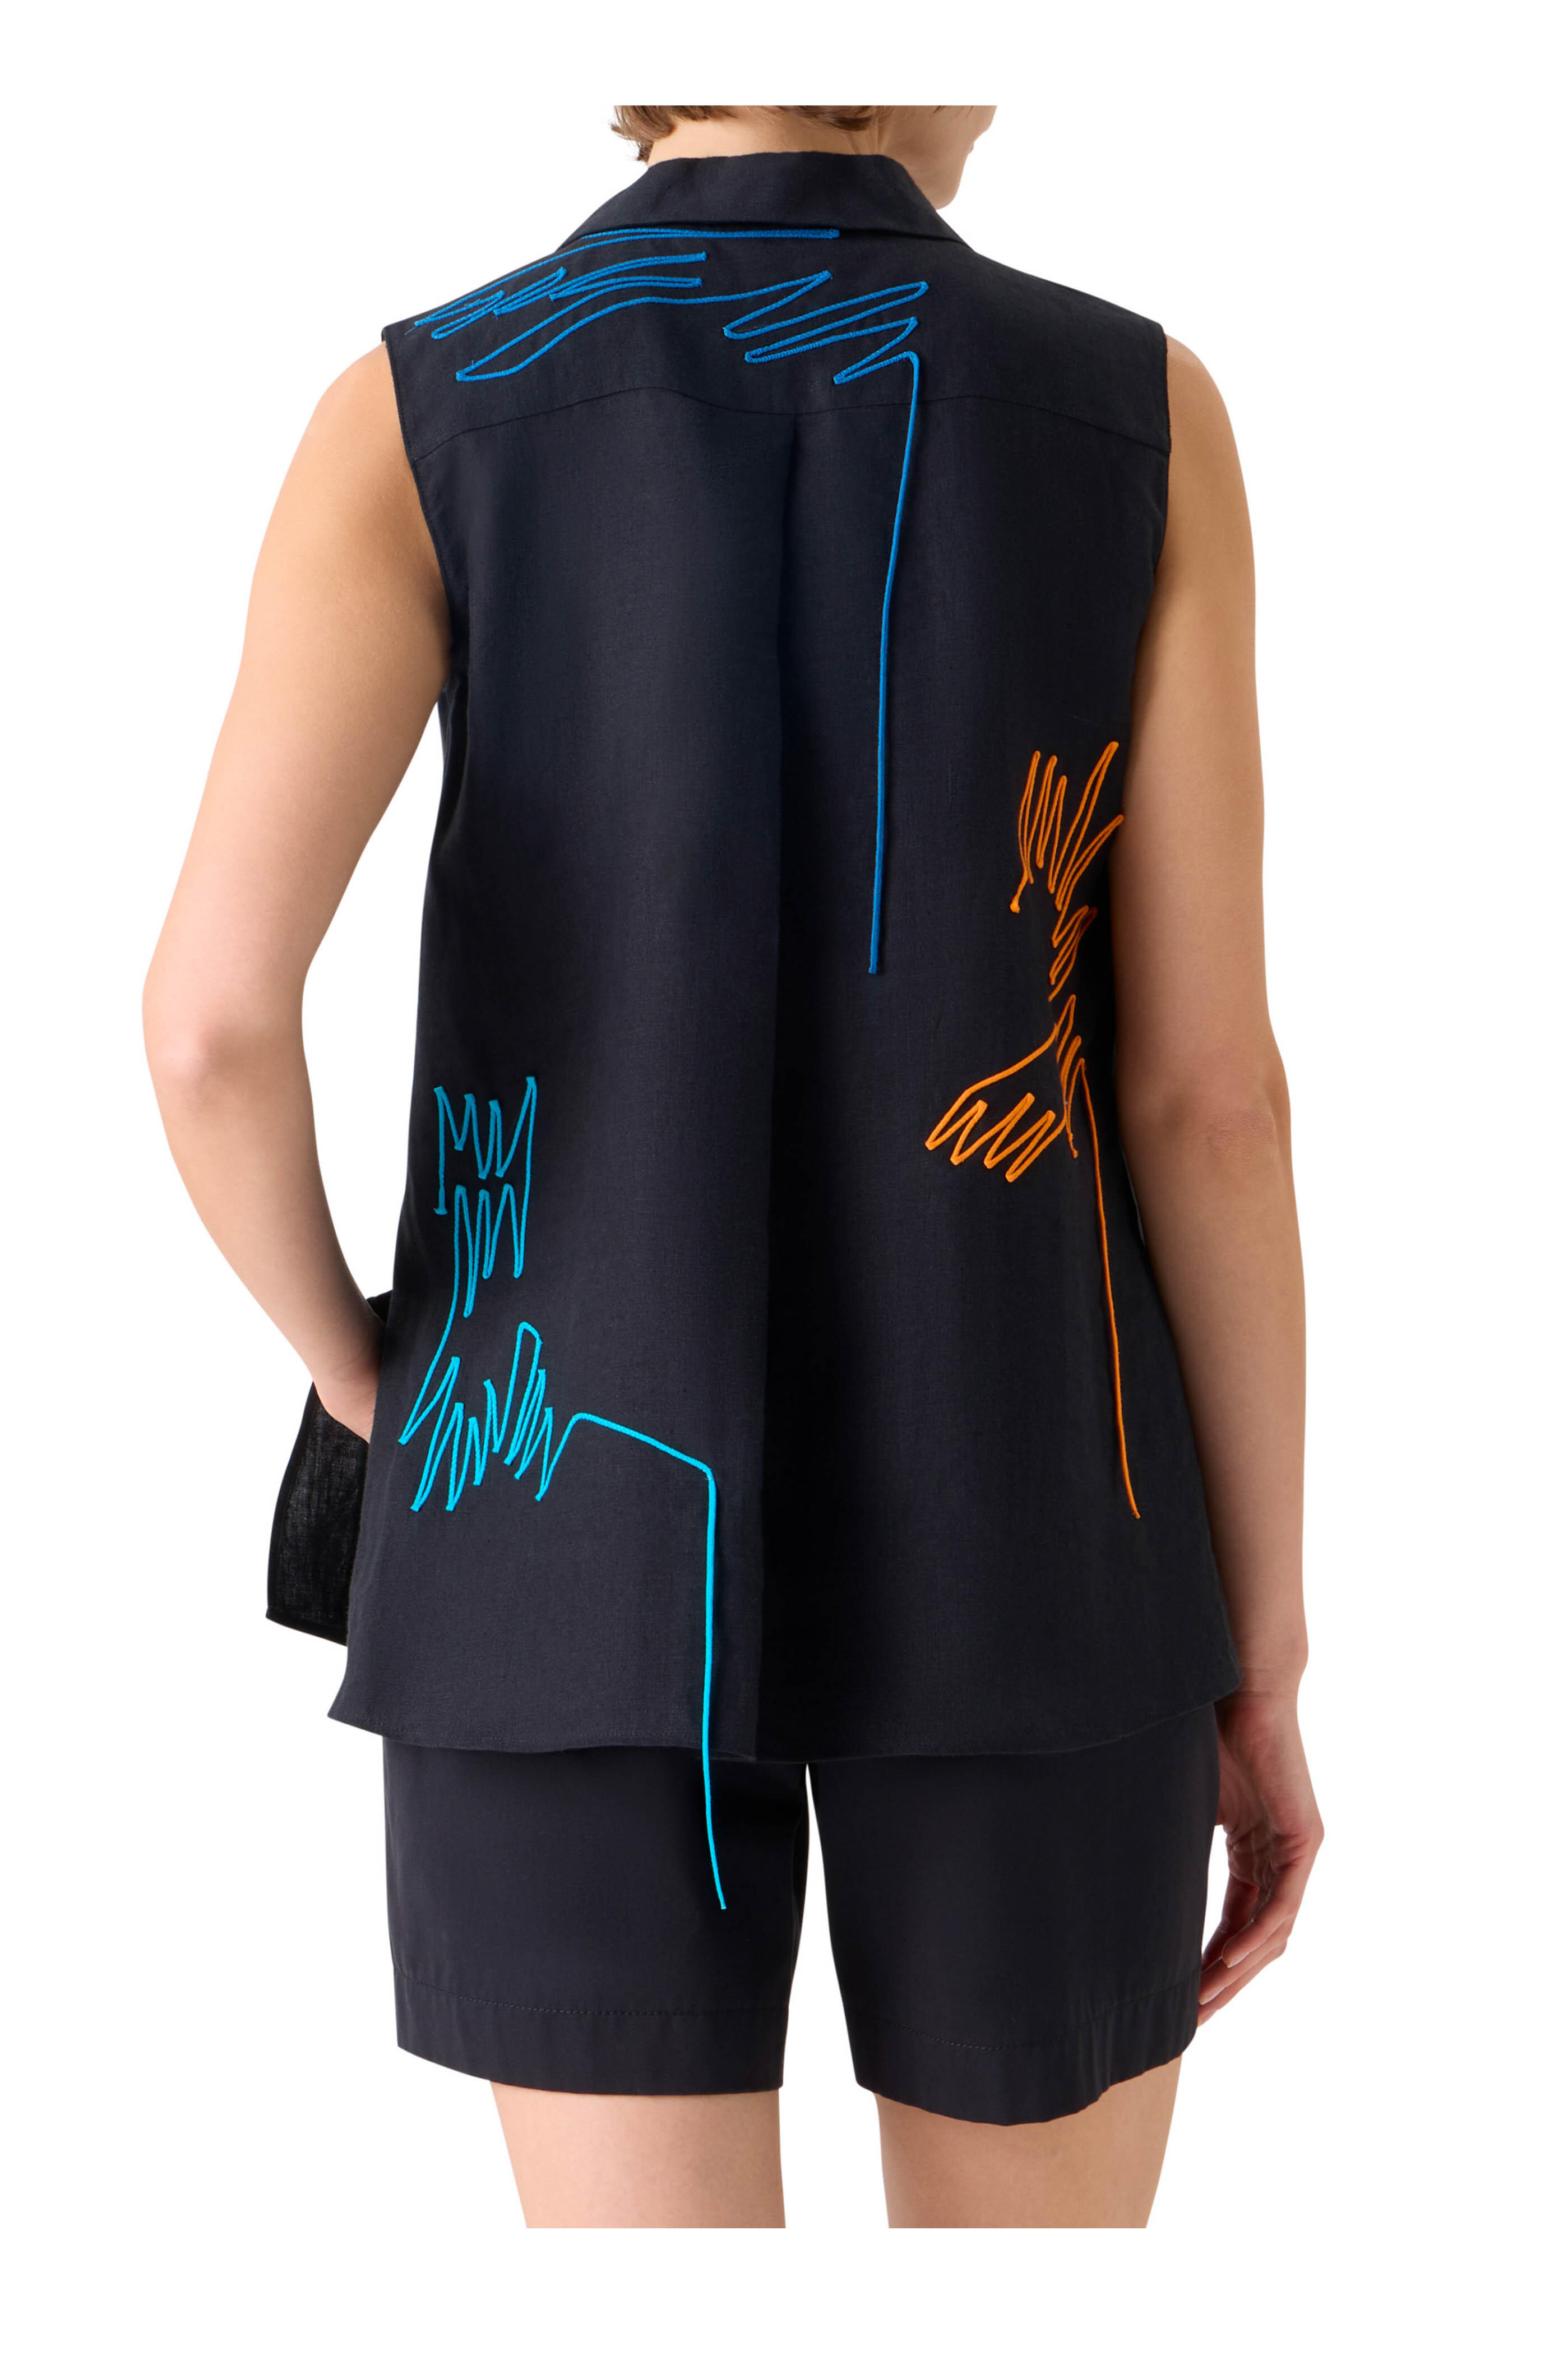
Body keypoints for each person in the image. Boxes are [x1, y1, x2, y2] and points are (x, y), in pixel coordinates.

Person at [144, 103, 1321, 2229]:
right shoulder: (1137, 411)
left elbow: (210, 1026)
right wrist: (1266, 1641)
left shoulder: (422, 405)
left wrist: (370, 1382)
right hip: (1043, 1534)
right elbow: (1206, 1097)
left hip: (555, 1524)